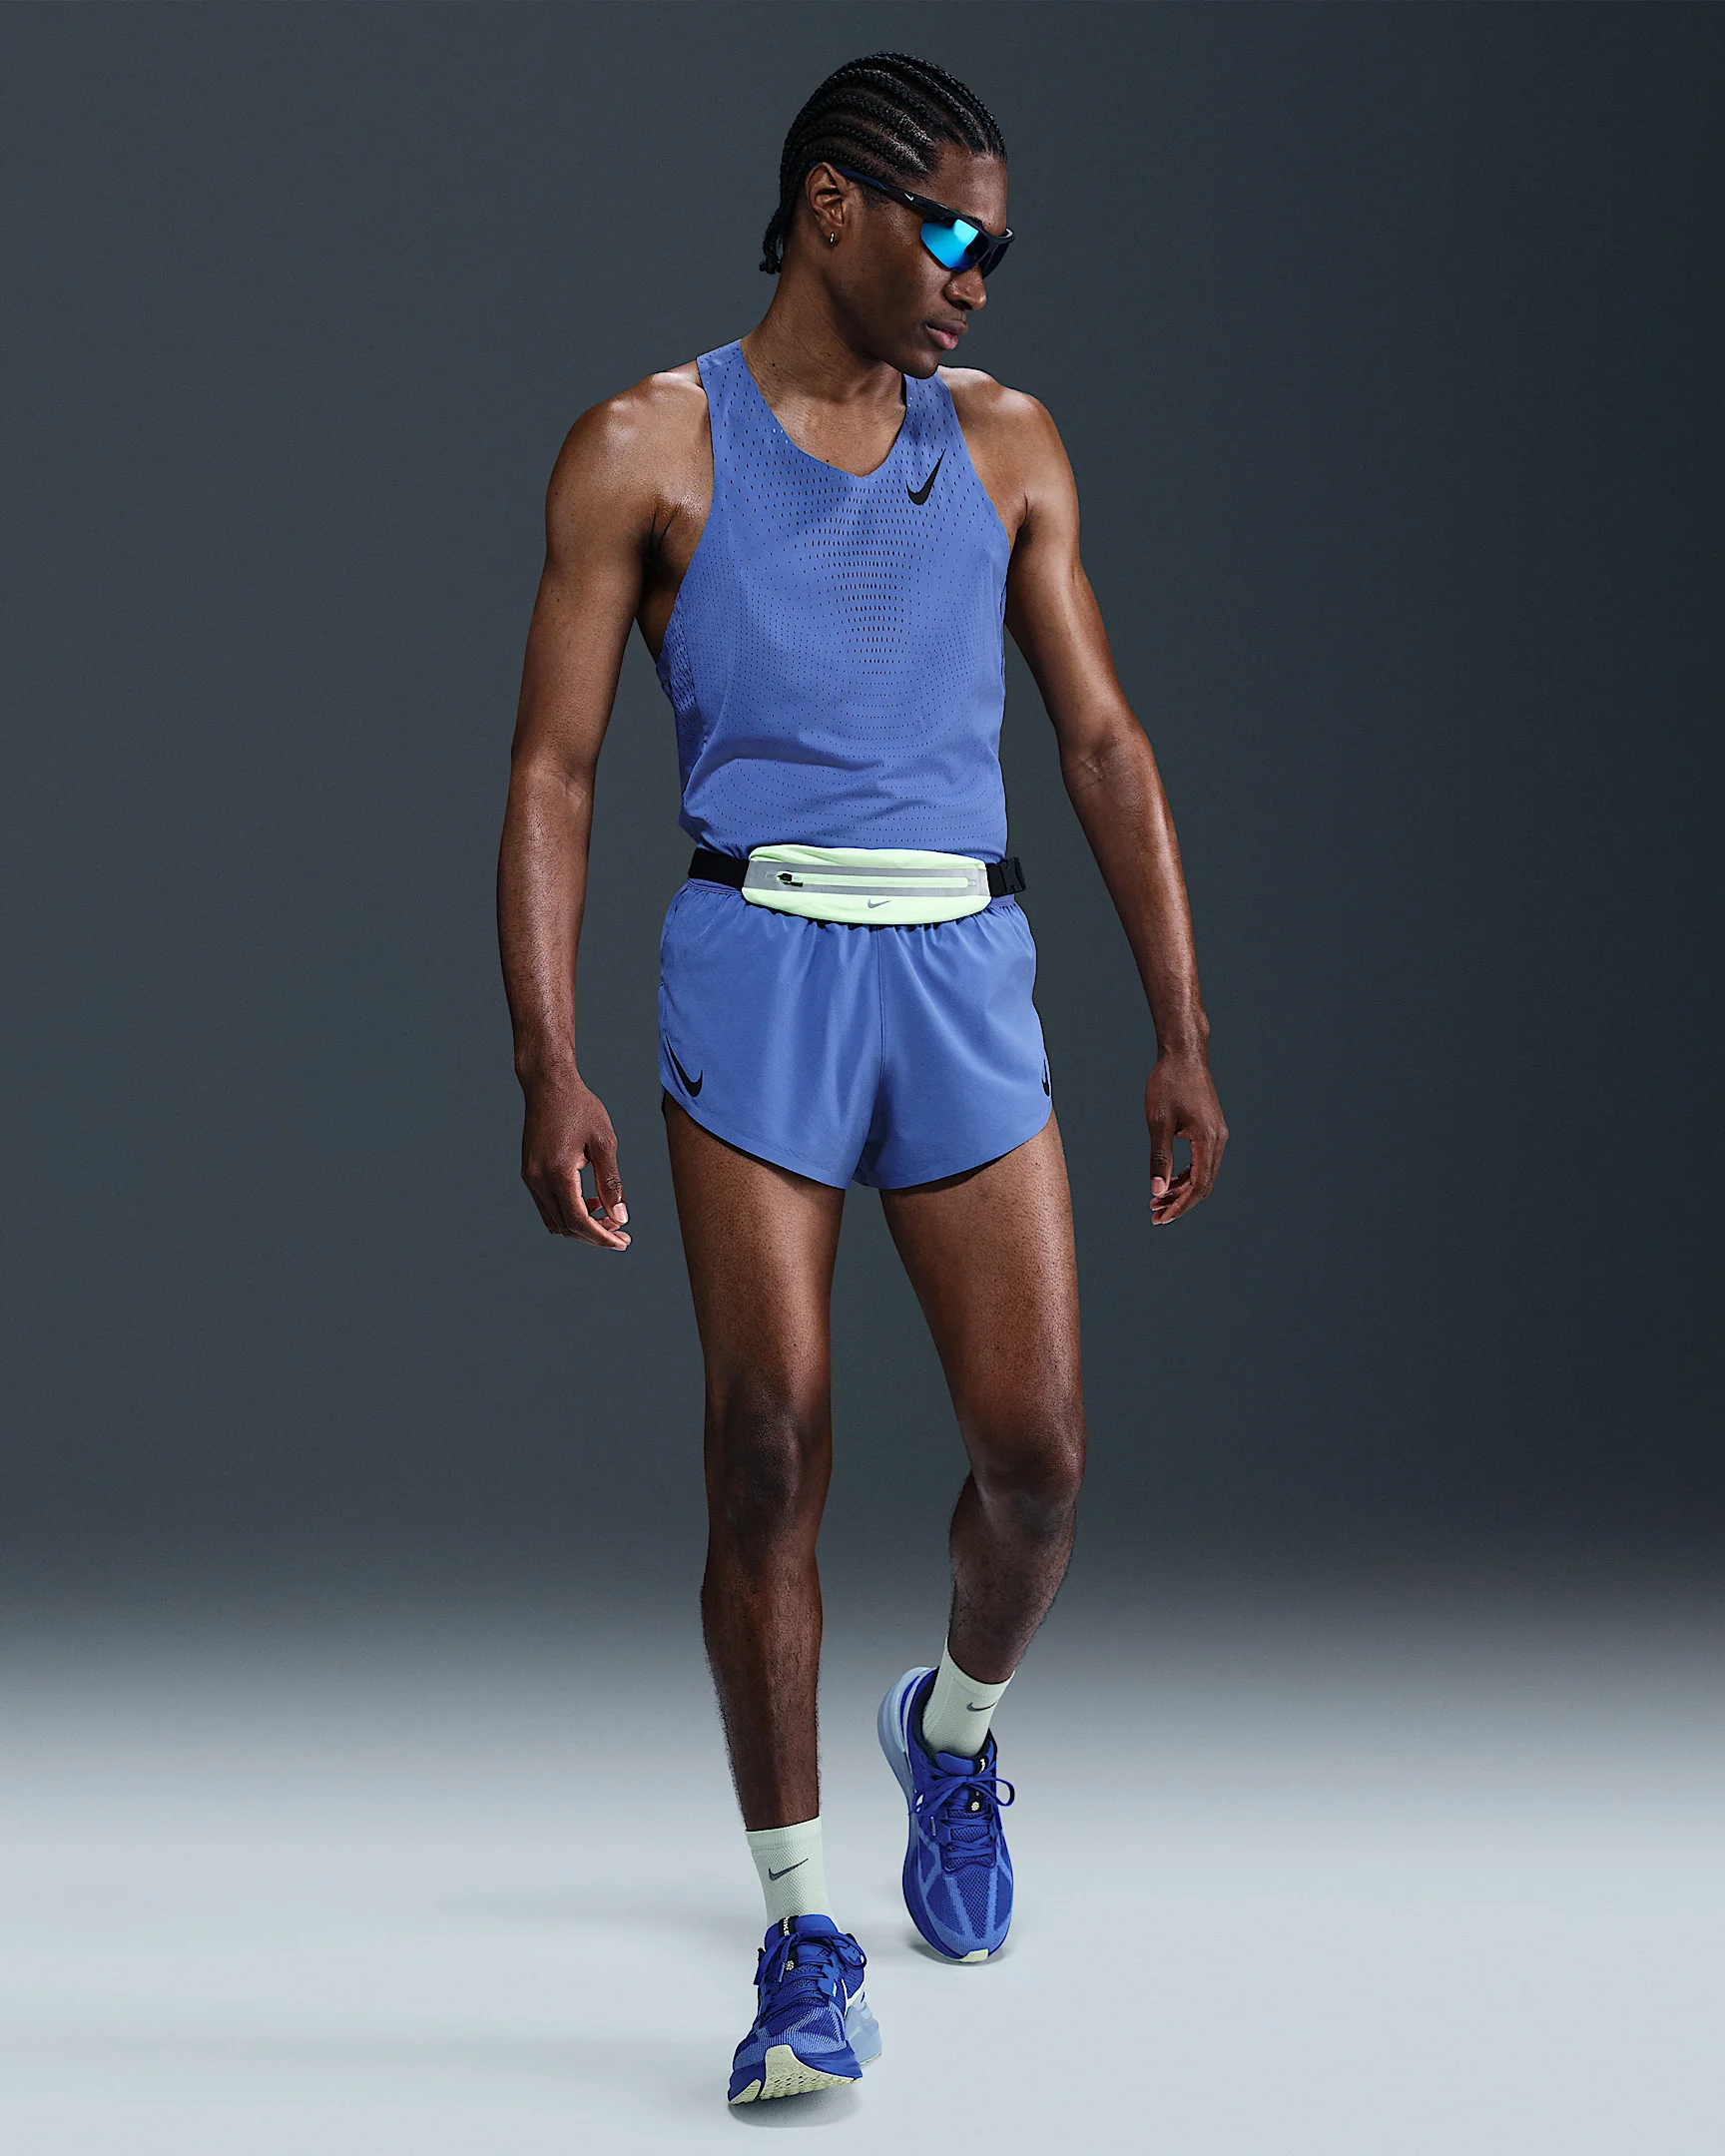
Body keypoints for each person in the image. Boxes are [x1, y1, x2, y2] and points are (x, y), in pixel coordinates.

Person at [496, 50, 1227, 2107]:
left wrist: (1178, 1023)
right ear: (833, 205)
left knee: (1039, 1460)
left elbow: (1102, 745)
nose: (979, 273)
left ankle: (954, 1738)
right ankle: (803, 1931)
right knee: (766, 1445)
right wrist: (547, 1060)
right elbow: (554, 773)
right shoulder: (646, 447)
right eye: (951, 228)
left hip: (962, 968)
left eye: (1000, 244)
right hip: (759, 963)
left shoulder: (1007, 447)